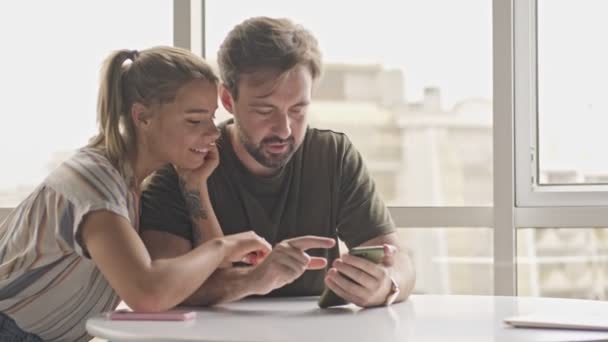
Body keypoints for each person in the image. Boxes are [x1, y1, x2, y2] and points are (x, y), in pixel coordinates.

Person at [140, 17, 416, 308]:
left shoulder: (332, 155)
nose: (284, 129)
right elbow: (159, 289)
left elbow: (400, 261)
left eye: (298, 109)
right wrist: (253, 279)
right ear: (228, 99)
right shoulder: (183, 164)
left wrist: (387, 285)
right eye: (264, 110)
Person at [0, 46, 271, 341]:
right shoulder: (95, 185)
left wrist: (195, 185)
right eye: (195, 120)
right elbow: (148, 293)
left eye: (211, 118)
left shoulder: (129, 183)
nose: (214, 132)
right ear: (142, 117)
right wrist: (225, 246)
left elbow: (203, 275)